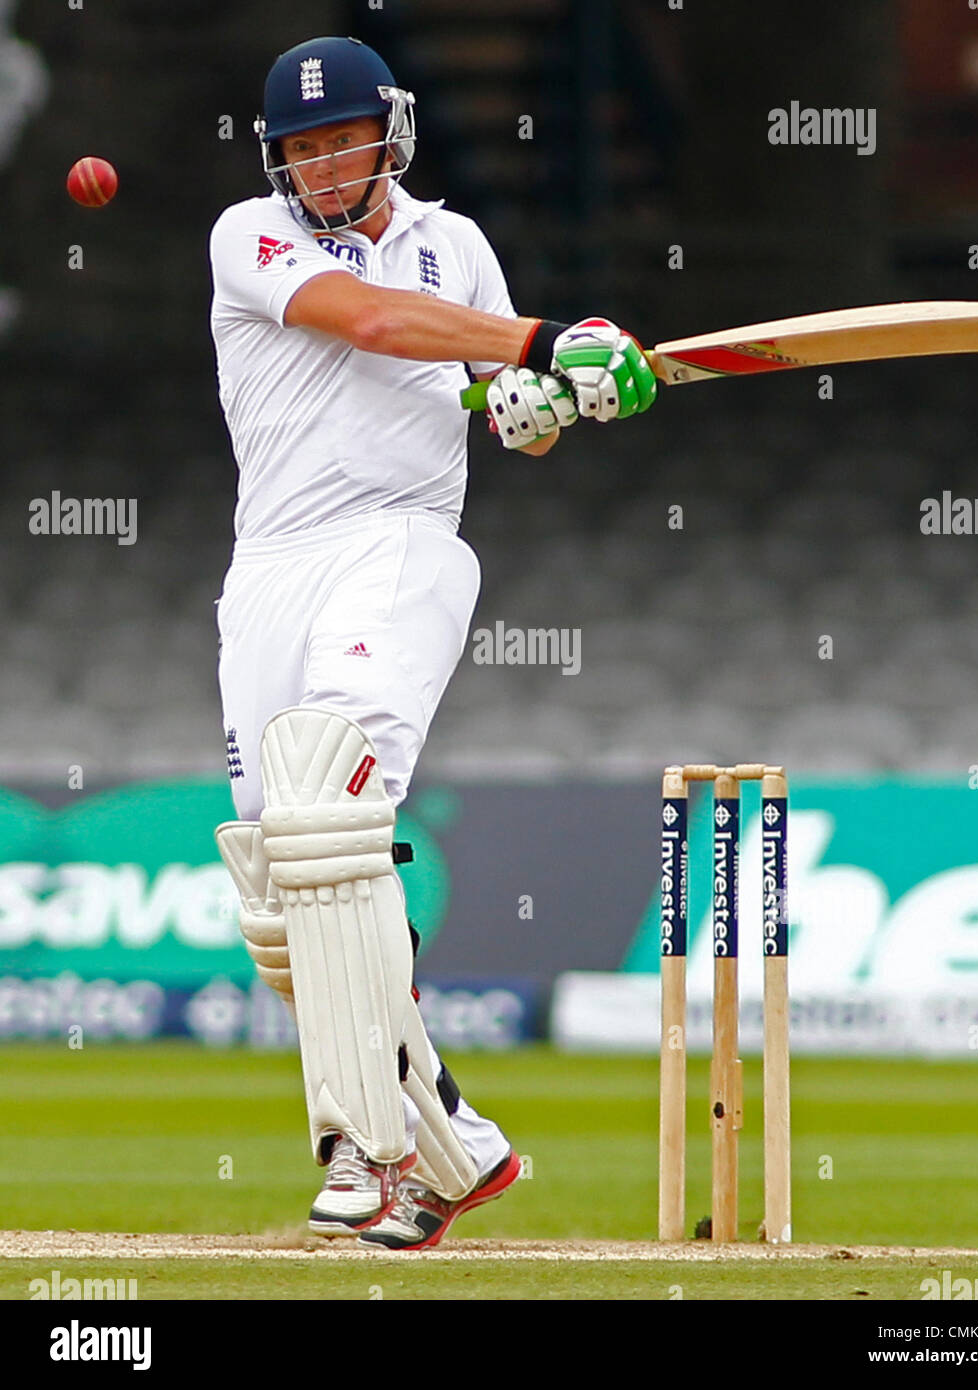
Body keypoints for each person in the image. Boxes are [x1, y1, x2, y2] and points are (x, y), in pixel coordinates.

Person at [208, 34, 655, 1251]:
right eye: (301, 146)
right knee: (280, 895)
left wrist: (546, 404)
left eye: (343, 137)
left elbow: (515, 411)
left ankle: (364, 1145)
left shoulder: (454, 246)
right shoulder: (246, 235)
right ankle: (458, 1149)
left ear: (388, 132)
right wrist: (531, 349)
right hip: (271, 571)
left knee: (325, 815)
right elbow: (367, 323)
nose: (324, 162)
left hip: (398, 546)